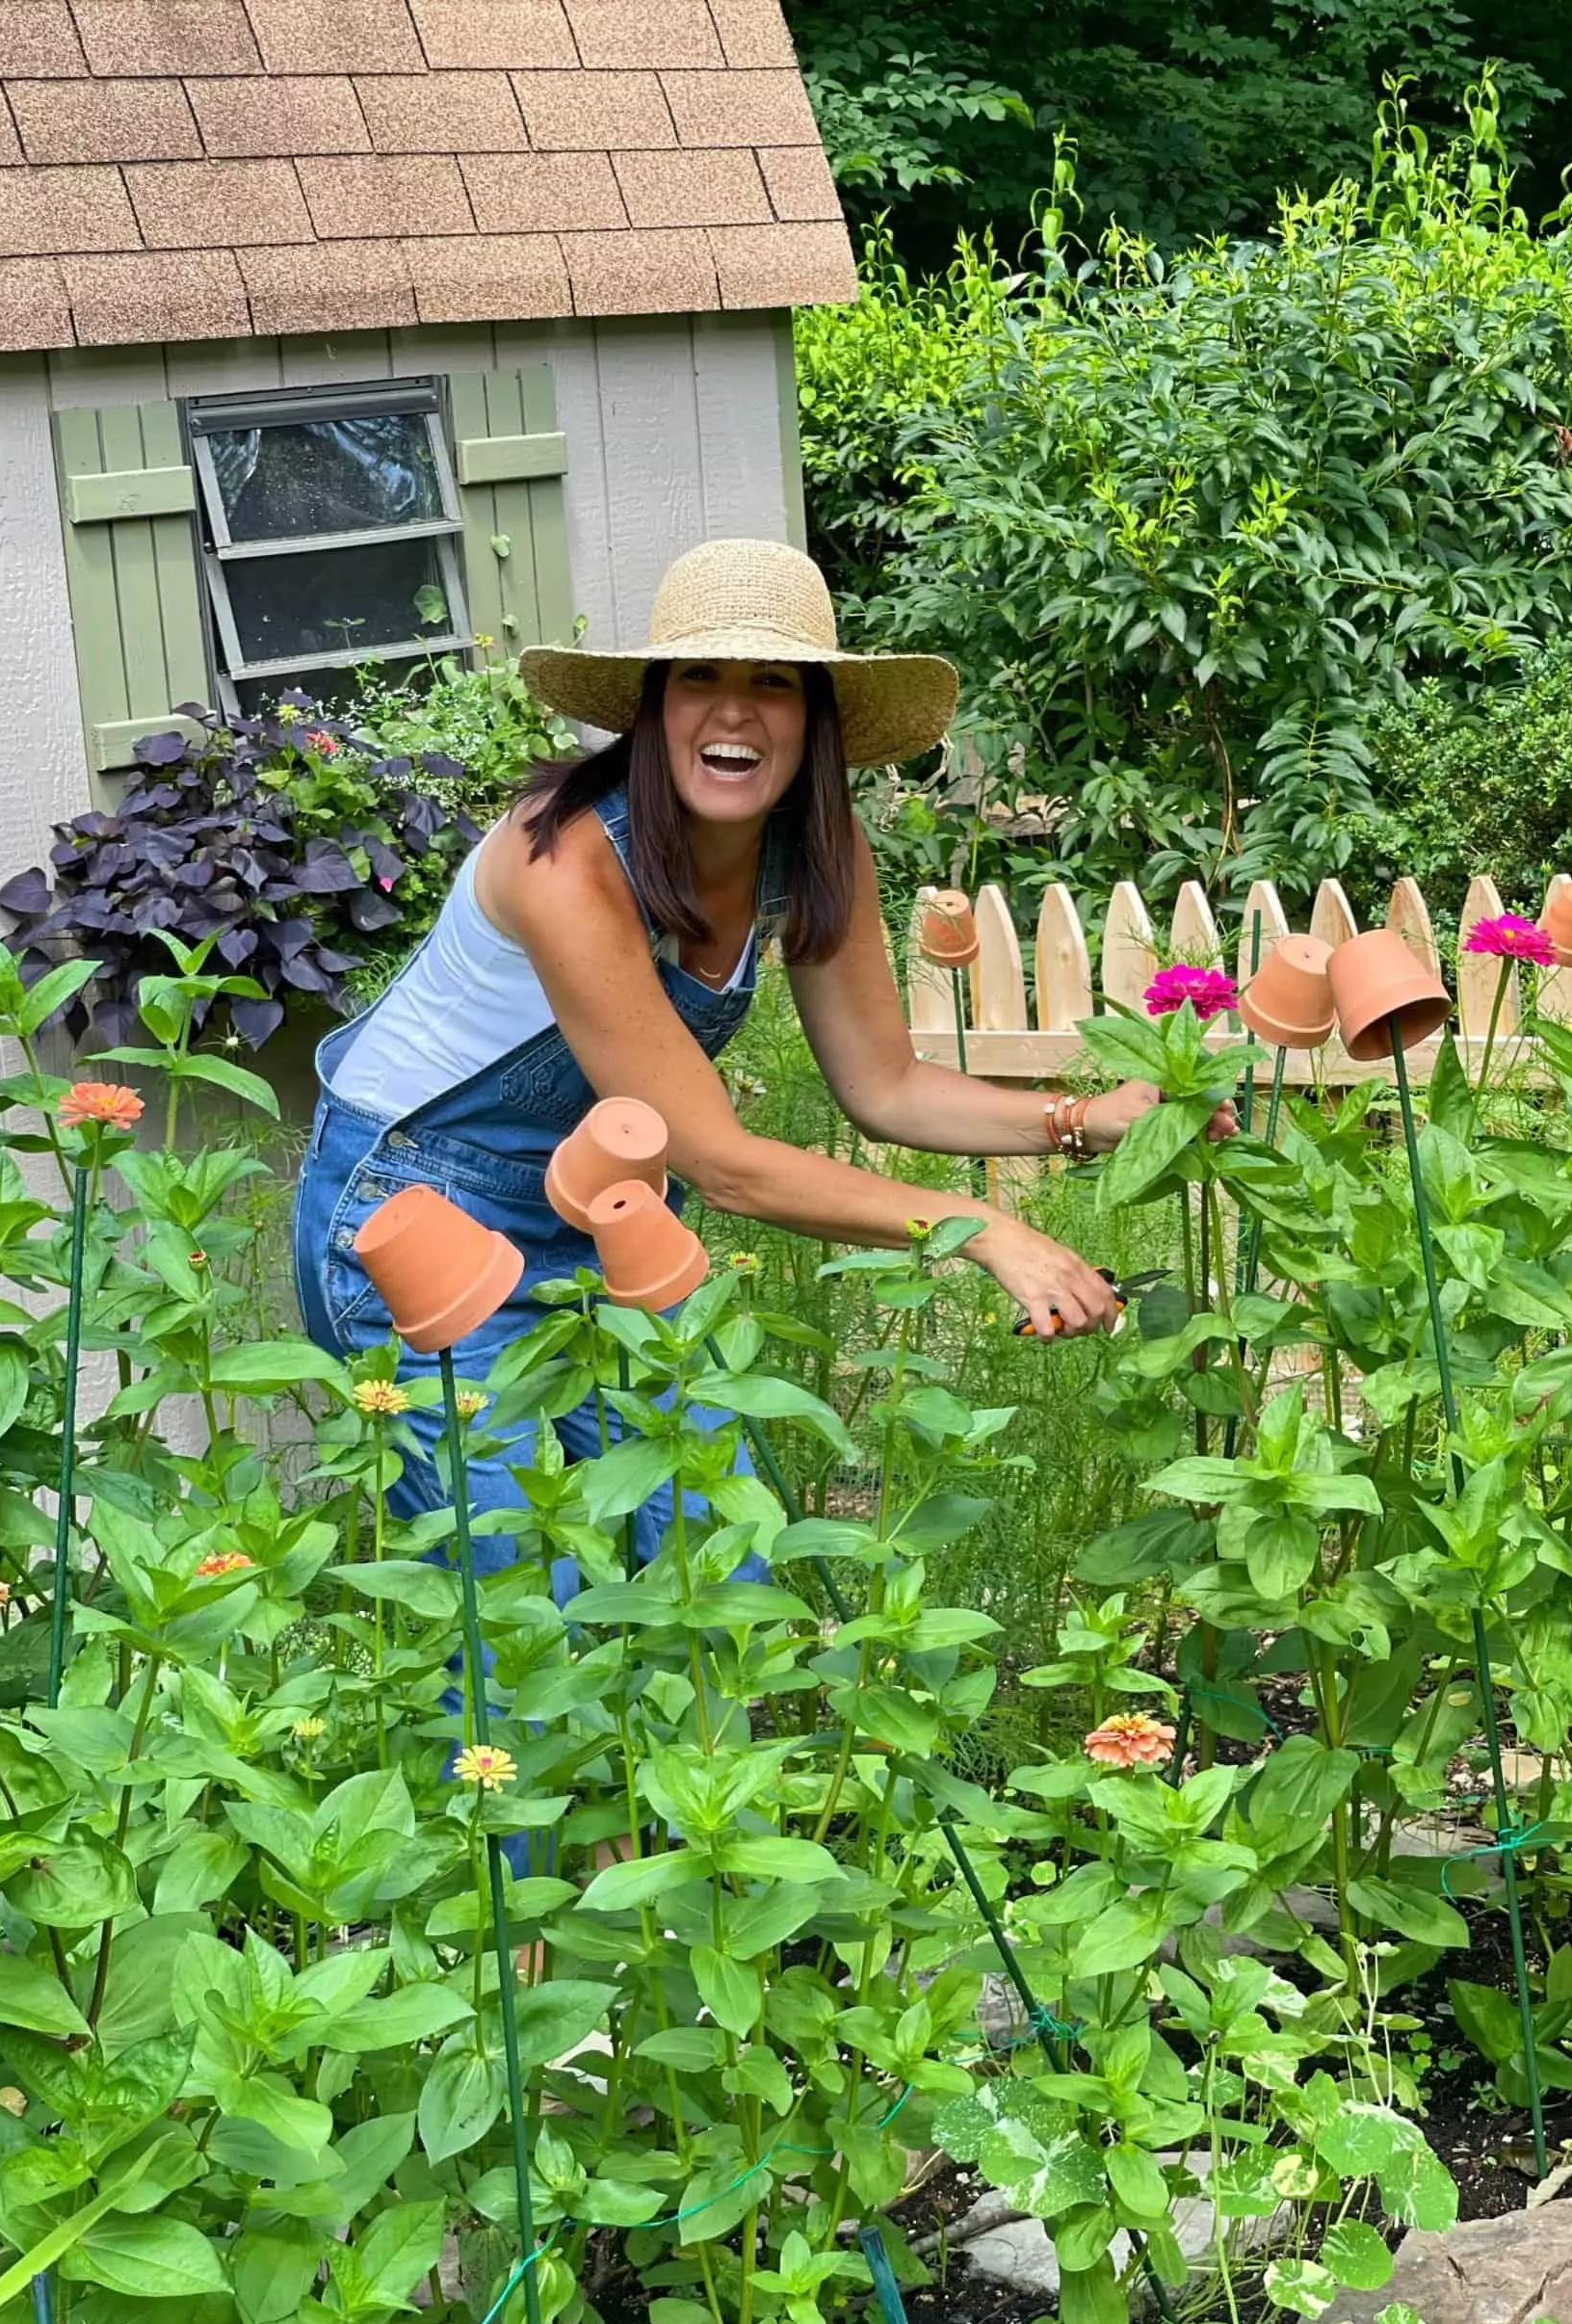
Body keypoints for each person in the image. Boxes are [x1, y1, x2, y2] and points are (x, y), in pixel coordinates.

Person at [293, 538, 1225, 1568]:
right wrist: (978, 1228)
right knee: (526, 1604)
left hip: (609, 1220)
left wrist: (1082, 1121)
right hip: (420, 1212)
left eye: (773, 684)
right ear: (653, 709)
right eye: (700, 677)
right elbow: (720, 1161)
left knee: (715, 1556)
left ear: (813, 722)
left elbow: (888, 1084)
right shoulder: (563, 859)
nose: (733, 712)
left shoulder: (812, 850)